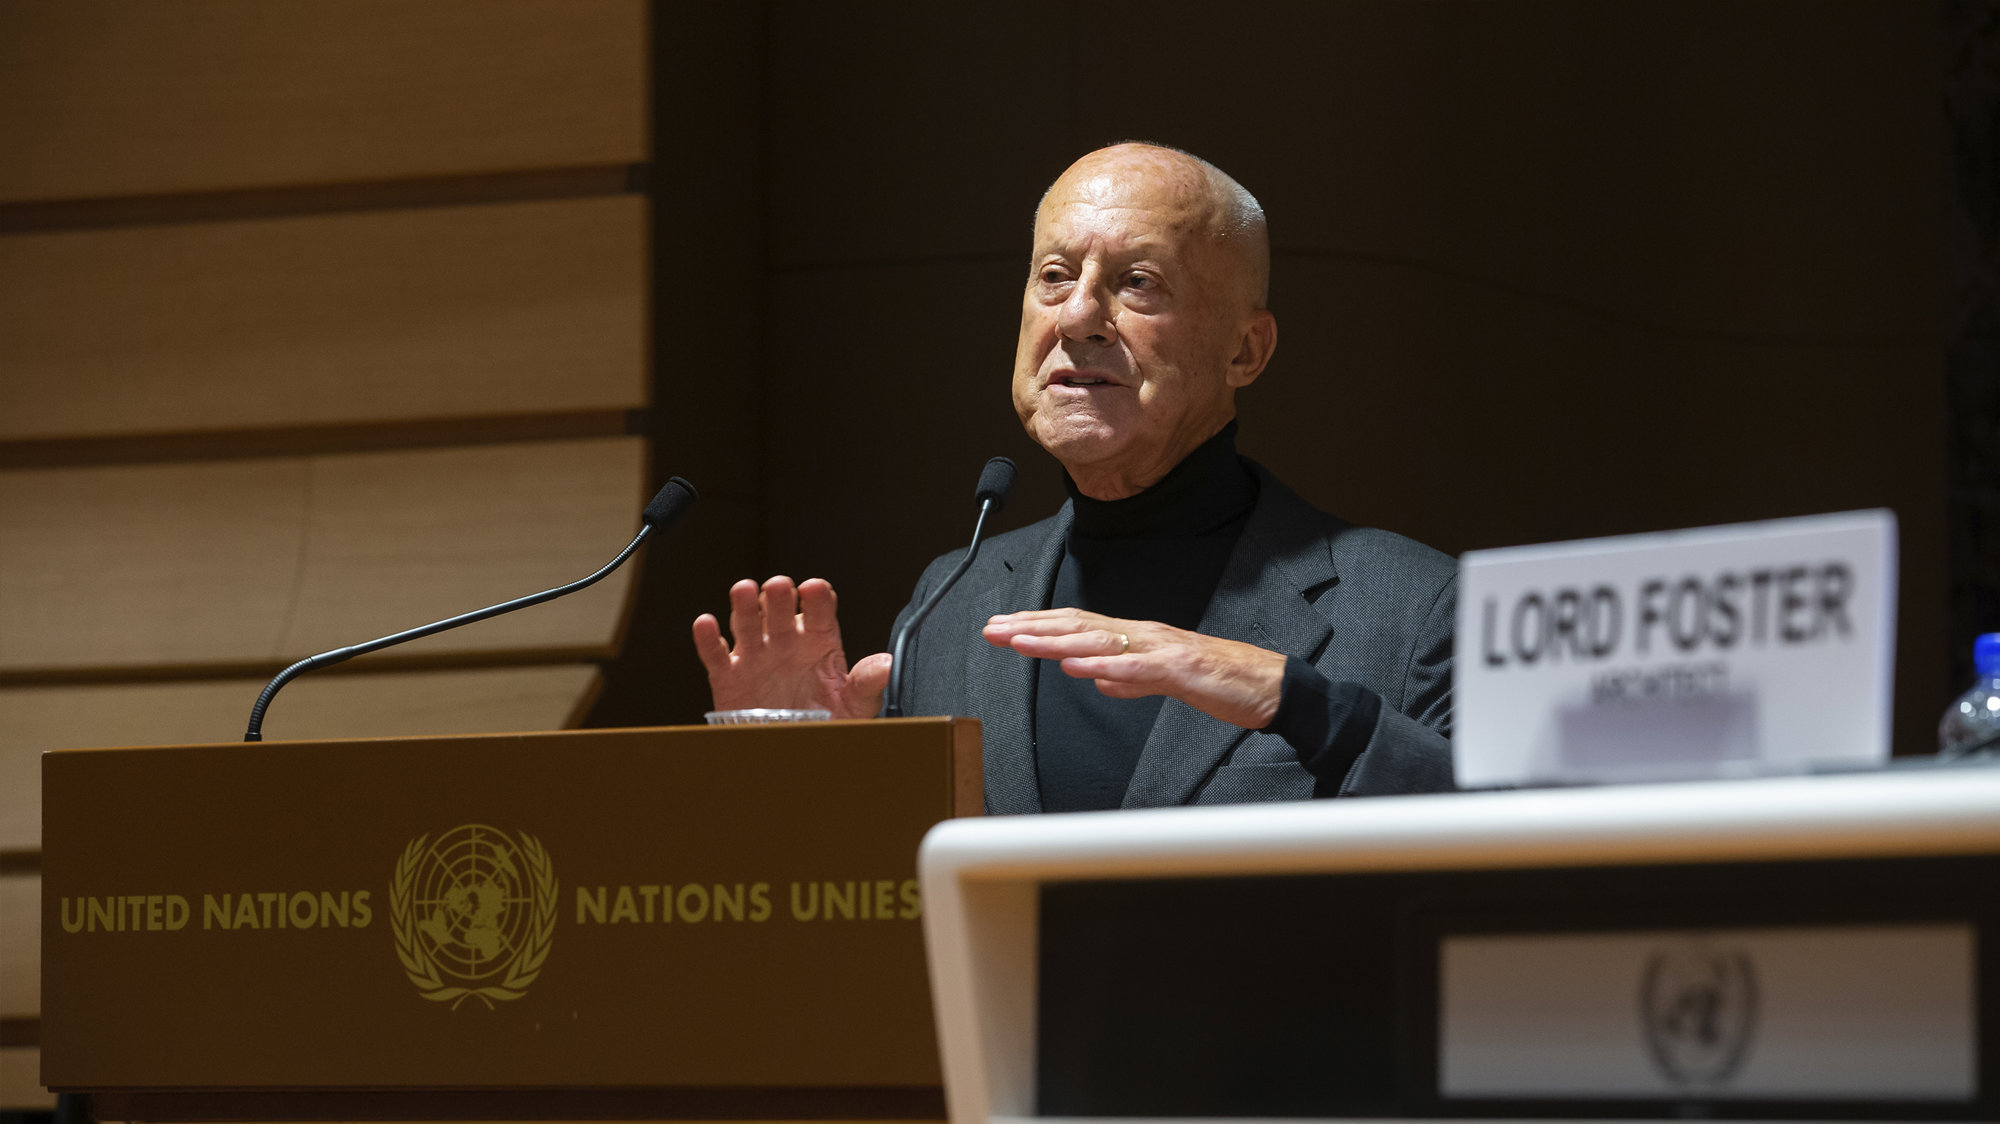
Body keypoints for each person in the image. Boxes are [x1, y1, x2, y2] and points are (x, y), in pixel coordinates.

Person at [693, 143, 1455, 812]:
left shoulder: (1412, 606)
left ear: (1245, 351)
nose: (1077, 315)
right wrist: (799, 768)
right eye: (1054, 276)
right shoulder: (951, 604)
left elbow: (1510, 851)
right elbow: (896, 891)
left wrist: (1301, 704)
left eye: (1138, 282)